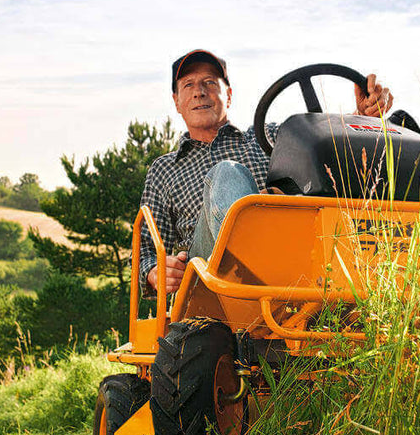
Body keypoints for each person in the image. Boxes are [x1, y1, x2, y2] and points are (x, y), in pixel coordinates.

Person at [139, 49, 394, 295]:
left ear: (228, 95)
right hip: (208, 286)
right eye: (188, 85)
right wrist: (154, 271)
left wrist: (362, 116)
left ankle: (295, 281)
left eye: (209, 83)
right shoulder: (165, 169)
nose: (199, 93)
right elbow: (146, 250)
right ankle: (266, 282)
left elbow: (321, 142)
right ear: (177, 102)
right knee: (227, 174)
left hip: (297, 259)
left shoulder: (270, 137)